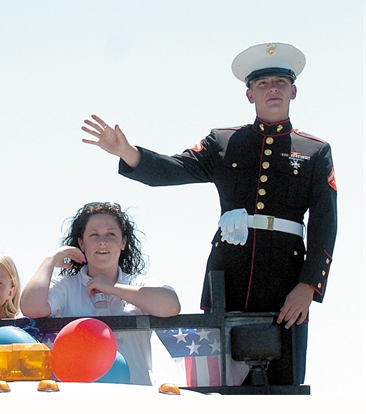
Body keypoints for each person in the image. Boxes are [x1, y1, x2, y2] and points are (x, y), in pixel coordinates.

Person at [81, 42, 337, 385]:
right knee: (220, 385)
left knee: (283, 383)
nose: (272, 89)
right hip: (228, 278)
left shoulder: (315, 151)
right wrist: (127, 152)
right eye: (262, 84)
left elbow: (325, 224)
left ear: (293, 90)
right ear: (249, 95)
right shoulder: (224, 142)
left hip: (286, 283)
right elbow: (172, 169)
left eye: (280, 82)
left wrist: (308, 286)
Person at [20, 202, 180, 385]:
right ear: (81, 243)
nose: (102, 241)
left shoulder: (137, 283)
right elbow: (31, 308)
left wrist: (112, 288)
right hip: (81, 394)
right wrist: (50, 260)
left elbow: (170, 305)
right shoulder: (66, 286)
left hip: (135, 393)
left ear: (123, 242)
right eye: (93, 235)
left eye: (111, 234)